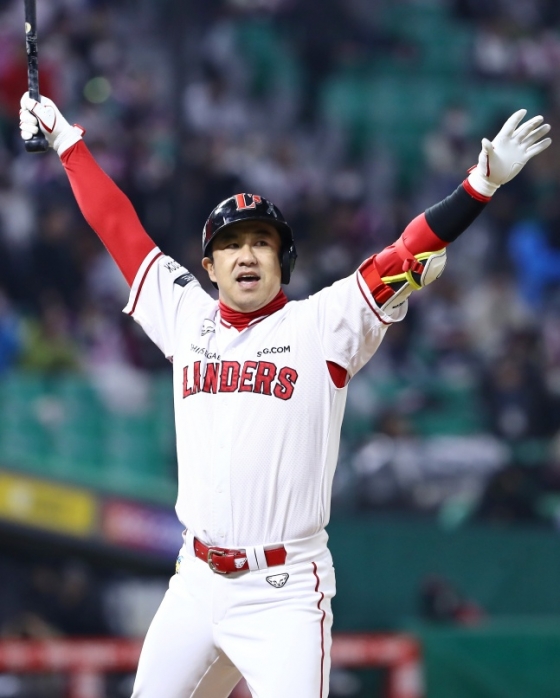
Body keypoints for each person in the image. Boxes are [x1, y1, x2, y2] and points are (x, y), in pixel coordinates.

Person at [19, 92, 551, 698]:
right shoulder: (184, 315)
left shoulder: (324, 324)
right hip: (195, 580)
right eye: (230, 244)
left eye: (261, 242)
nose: (245, 254)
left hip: (283, 591)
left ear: (283, 260)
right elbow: (119, 227)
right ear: (209, 266)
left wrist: (479, 185)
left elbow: (405, 253)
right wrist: (66, 141)